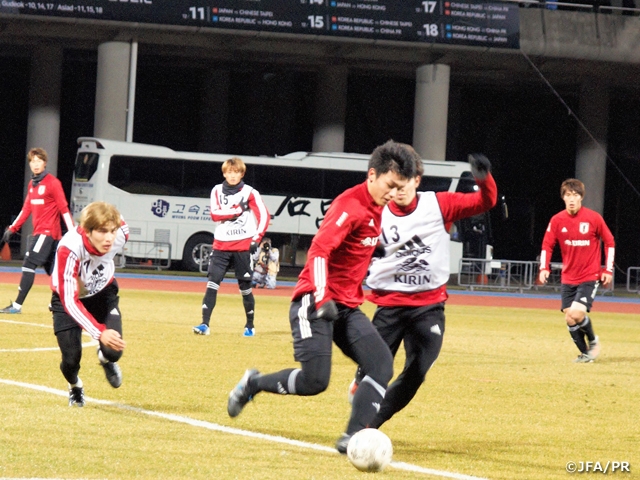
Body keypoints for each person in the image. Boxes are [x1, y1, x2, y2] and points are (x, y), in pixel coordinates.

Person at [225, 140, 417, 453]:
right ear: (372, 175)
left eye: (399, 188)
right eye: (390, 185)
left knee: (381, 364)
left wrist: (377, 252)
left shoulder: (378, 208)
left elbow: (356, 246)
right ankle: (252, 384)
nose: (394, 193)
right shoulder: (350, 205)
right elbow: (319, 250)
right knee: (315, 382)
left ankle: (352, 438)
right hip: (313, 300)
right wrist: (322, 295)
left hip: (346, 305)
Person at [347, 153, 497, 428]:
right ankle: (362, 380)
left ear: (417, 180)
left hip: (429, 307)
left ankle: (369, 426)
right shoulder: (374, 211)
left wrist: (484, 179)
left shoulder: (439, 204)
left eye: (406, 181)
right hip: (388, 306)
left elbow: (485, 201)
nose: (399, 189)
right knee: (375, 370)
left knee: (416, 373)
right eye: (394, 182)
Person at [50, 202, 129, 407]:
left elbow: (118, 223)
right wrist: (99, 332)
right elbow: (69, 300)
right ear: (87, 230)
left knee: (114, 351)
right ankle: (75, 387)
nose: (109, 238)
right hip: (68, 300)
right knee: (70, 361)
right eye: (102, 231)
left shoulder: (121, 234)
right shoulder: (70, 249)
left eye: (112, 231)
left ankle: (104, 358)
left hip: (103, 294)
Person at [538, 178, 615, 363]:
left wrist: (608, 269)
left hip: (589, 275)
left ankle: (594, 341)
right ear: (563, 198)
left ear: (581, 197)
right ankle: (585, 354)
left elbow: (610, 242)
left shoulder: (594, 218)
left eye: (575, 195)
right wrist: (543, 267)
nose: (571, 199)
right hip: (568, 277)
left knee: (576, 313)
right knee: (569, 319)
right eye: (568, 195)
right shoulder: (557, 220)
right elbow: (546, 245)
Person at [192, 157, 269, 337]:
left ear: (242, 174)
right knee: (212, 282)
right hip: (220, 246)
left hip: (243, 247)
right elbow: (214, 214)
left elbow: (264, 215)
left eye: (236, 172)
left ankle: (249, 326)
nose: (232, 176)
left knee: (245, 287)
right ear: (224, 173)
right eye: (229, 172)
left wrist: (256, 239)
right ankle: (204, 324)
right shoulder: (217, 190)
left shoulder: (250, 192)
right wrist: (237, 211)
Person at [1, 148, 74, 314]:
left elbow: (64, 209)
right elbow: (26, 208)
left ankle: (17, 306)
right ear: (29, 164)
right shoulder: (32, 184)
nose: (35, 164)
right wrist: (13, 228)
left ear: (45, 163)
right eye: (32, 161)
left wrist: (73, 233)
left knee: (29, 262)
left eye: (39, 161)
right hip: (44, 233)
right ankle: (62, 302)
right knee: (55, 271)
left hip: (47, 233)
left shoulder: (53, 183)